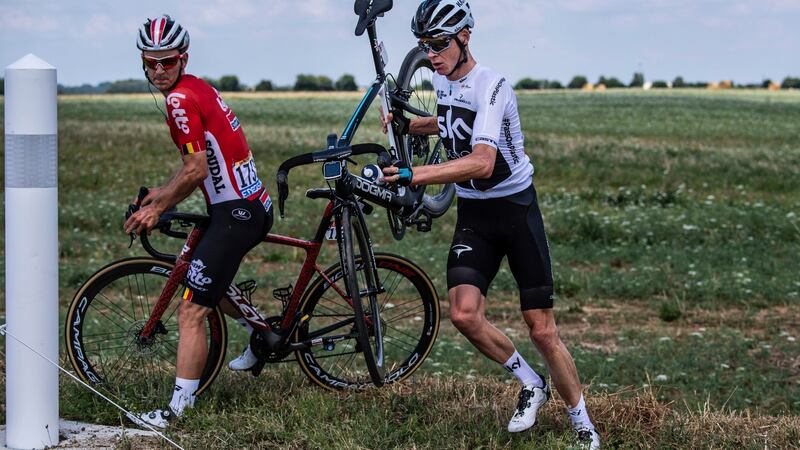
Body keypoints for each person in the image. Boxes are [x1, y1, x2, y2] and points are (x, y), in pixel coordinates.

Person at [380, 1, 600, 448]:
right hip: (475, 217)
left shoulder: (492, 85)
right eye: (425, 46)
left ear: (465, 38)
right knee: (462, 314)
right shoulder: (445, 83)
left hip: (515, 211)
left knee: (541, 328)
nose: (432, 55)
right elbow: (447, 122)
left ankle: (583, 425)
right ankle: (530, 383)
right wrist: (407, 126)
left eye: (439, 44)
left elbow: (482, 162)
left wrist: (412, 175)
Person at [124, 14, 273, 428]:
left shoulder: (178, 100)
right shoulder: (195, 87)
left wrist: (156, 209)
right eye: (149, 63)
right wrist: (160, 193)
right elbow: (200, 162)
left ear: (182, 58)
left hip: (237, 211)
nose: (157, 71)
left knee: (191, 311)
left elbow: (195, 171)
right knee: (204, 281)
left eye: (166, 62)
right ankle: (260, 334)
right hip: (243, 205)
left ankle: (176, 413)